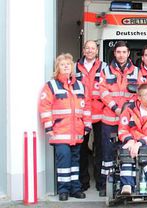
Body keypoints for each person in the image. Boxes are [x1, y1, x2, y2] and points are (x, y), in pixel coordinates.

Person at [39, 53, 90, 201]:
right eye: (62, 64)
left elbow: (86, 107)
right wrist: (49, 127)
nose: (66, 66)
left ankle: (75, 188)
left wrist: (87, 125)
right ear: (58, 68)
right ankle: (63, 190)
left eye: (68, 64)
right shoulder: (51, 85)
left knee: (75, 162)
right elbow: (44, 107)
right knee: (64, 162)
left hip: (77, 133)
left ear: (72, 66)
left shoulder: (80, 86)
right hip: (60, 132)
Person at [98, 41, 139, 197]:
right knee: (107, 155)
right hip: (109, 119)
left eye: (124, 52)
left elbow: (138, 93)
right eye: (118, 52)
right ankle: (105, 184)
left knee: (127, 153)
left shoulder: (137, 72)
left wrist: (126, 110)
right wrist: (116, 107)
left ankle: (126, 184)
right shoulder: (106, 71)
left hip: (128, 122)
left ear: (128, 53)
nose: (121, 55)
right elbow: (103, 92)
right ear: (114, 53)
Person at [117, 83, 147, 195]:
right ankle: (127, 185)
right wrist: (130, 140)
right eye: (145, 94)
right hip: (131, 140)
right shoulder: (129, 110)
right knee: (126, 152)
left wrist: (140, 143)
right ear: (139, 97)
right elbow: (122, 129)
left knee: (145, 152)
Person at [75, 40, 106, 192]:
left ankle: (101, 182)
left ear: (97, 51)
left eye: (93, 48)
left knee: (101, 149)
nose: (90, 51)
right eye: (87, 48)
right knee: (81, 149)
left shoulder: (104, 67)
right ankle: (83, 181)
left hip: (101, 113)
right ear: (83, 50)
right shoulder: (75, 67)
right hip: (81, 114)